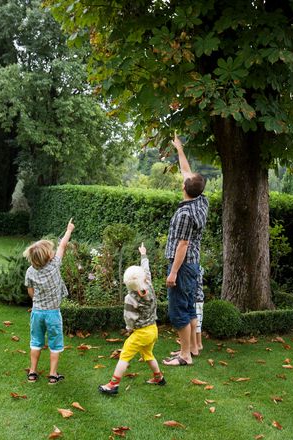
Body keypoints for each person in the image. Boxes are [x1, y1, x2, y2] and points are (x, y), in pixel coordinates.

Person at [163, 134, 208, 367]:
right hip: (193, 265)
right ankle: (190, 348)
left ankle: (184, 356)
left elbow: (182, 245)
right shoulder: (202, 201)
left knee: (178, 310)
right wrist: (179, 149)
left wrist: (172, 273)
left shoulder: (184, 214)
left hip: (182, 265)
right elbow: (186, 171)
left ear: (184, 188)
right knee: (189, 307)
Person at [99, 243, 164, 395]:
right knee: (148, 354)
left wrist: (129, 329)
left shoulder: (130, 297)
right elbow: (146, 271)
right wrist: (143, 255)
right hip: (153, 329)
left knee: (125, 355)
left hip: (141, 333)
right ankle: (158, 377)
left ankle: (113, 385)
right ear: (144, 278)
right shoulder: (149, 286)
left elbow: (129, 317)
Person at [23, 219, 74, 385]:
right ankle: (53, 375)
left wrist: (35, 300)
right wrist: (69, 230)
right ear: (48, 256)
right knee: (55, 343)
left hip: (37, 312)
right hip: (53, 313)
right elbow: (62, 246)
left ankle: (32, 372)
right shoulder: (54, 265)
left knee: (36, 342)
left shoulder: (30, 271)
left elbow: (30, 291)